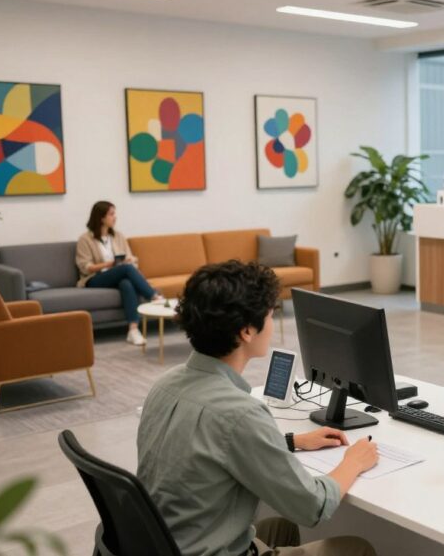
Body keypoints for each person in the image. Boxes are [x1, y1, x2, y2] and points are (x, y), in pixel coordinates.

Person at [137, 261, 378, 556]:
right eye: (270, 312)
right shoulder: (241, 414)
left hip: (167, 544)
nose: (273, 321)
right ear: (247, 331)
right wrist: (354, 461)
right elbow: (313, 506)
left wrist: (290, 442)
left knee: (280, 527)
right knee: (357, 548)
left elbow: (207, 448)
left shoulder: (164, 385)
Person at [76, 201, 160, 345]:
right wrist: (110, 264)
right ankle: (154, 296)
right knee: (125, 269)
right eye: (111, 214)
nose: (115, 217)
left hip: (118, 275)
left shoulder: (118, 236)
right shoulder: (85, 239)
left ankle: (133, 330)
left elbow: (130, 258)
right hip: (95, 278)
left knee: (126, 283)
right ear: (101, 217)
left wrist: (130, 260)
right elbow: (85, 267)